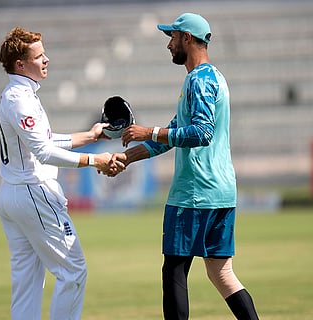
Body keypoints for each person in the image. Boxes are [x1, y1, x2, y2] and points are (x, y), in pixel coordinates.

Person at [108, 13, 260, 319]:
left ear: (187, 39)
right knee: (221, 273)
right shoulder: (212, 78)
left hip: (194, 193)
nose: (169, 45)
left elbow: (200, 134)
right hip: (221, 192)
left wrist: (148, 130)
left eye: (172, 38)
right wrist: (127, 158)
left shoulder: (198, 80)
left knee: (174, 271)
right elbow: (171, 136)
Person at [0, 27, 121, 320]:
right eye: (39, 56)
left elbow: (44, 141)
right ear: (20, 65)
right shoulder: (20, 99)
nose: (46, 60)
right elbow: (43, 152)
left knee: (27, 283)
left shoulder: (18, 93)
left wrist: (89, 136)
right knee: (73, 271)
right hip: (33, 192)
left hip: (14, 193)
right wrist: (94, 161)